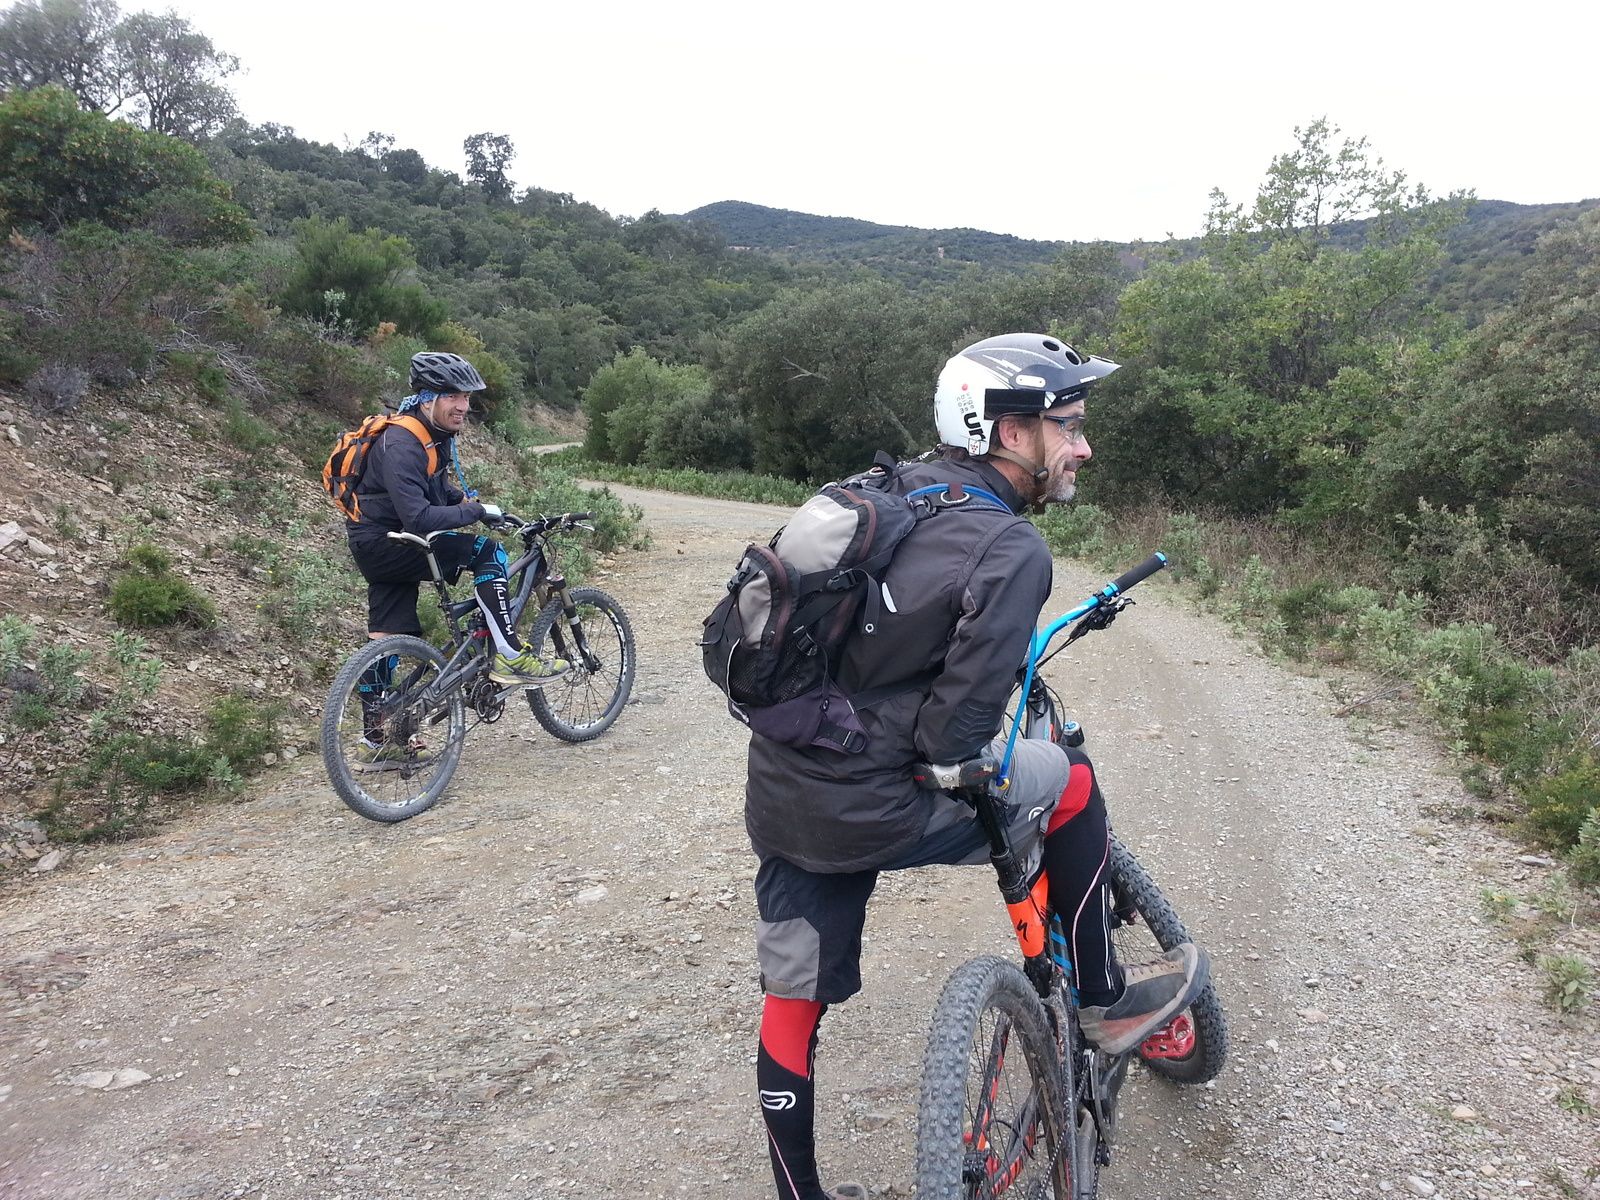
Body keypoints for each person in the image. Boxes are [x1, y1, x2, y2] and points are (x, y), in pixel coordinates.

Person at [744, 333, 1210, 1200]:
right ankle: (1104, 998)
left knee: (792, 991)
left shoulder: (879, 496)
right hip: (888, 800)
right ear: (1007, 432)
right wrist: (974, 753)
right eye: (1067, 426)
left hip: (787, 794)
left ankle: (797, 1191)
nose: (1083, 446)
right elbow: (955, 741)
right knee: (1069, 781)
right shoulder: (1010, 549)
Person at [344, 351, 566, 771]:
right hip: (397, 543)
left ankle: (376, 740)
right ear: (427, 398)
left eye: (466, 396)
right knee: (487, 552)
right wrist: (476, 514)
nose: (463, 405)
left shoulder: (426, 436)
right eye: (452, 396)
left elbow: (438, 491)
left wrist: (476, 504)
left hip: (377, 545)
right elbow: (421, 517)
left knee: (387, 637)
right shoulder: (402, 444)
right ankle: (509, 653)